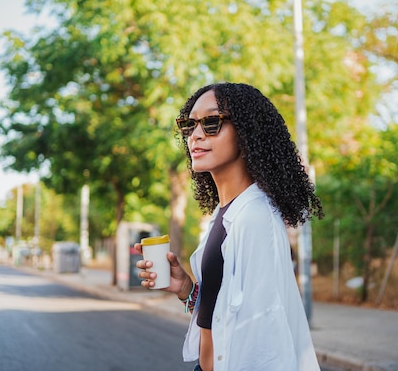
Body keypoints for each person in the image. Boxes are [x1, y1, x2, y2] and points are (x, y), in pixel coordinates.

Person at [135, 82, 324, 371]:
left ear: (247, 132)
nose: (196, 135)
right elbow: (225, 310)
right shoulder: (226, 212)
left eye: (211, 122)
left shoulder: (255, 217)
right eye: (189, 125)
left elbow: (263, 332)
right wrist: (187, 289)